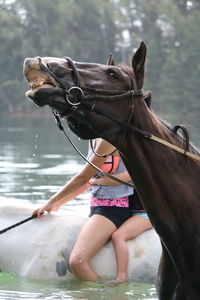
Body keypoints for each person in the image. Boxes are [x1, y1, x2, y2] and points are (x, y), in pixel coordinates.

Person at [32, 138, 134, 281]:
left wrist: (51, 201)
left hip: (114, 209)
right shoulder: (93, 139)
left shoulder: (108, 141)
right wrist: (58, 204)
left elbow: (82, 177)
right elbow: (88, 181)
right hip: (97, 206)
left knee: (77, 261)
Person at [89, 176, 152, 282]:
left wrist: (95, 181)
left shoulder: (135, 168)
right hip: (131, 212)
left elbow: (117, 179)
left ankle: (121, 276)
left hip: (145, 214)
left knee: (118, 236)